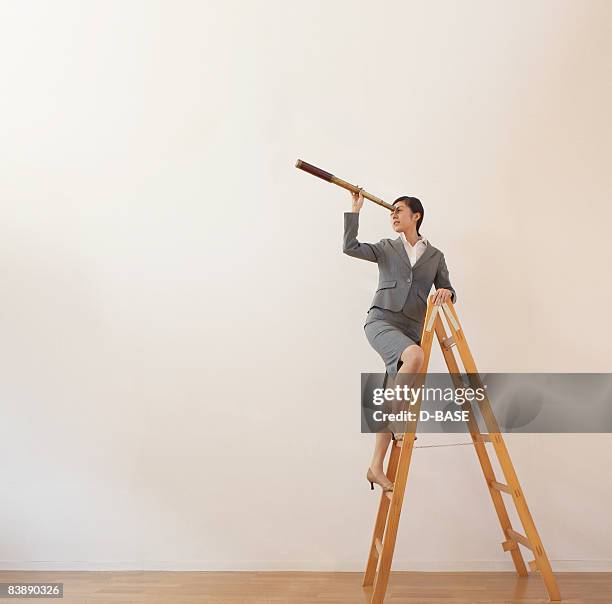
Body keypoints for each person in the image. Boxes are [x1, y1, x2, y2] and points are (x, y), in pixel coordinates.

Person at [344, 188, 457, 492]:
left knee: (391, 387)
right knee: (416, 358)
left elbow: (447, 289)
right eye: (391, 211)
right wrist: (355, 210)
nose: (393, 215)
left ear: (415, 215)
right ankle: (397, 419)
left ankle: (375, 467)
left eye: (399, 210)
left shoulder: (435, 256)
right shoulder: (386, 248)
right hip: (381, 320)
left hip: (411, 329)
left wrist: (447, 293)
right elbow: (351, 247)